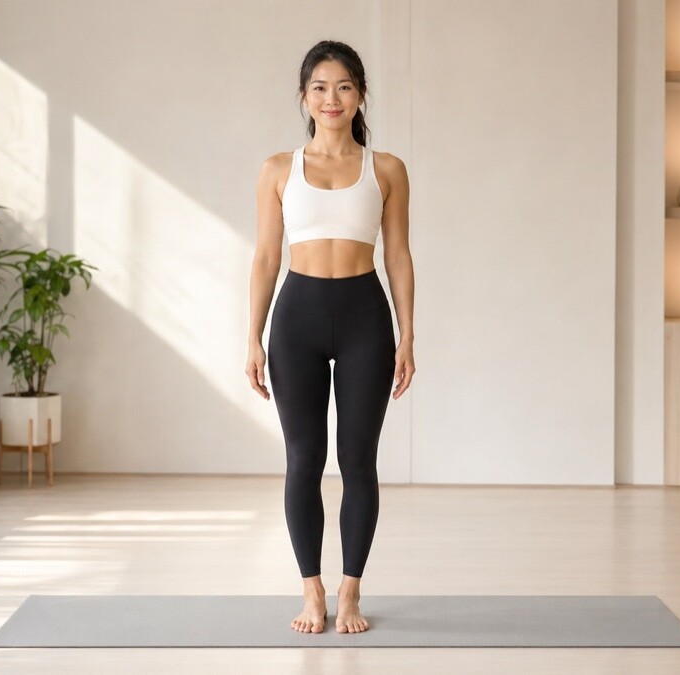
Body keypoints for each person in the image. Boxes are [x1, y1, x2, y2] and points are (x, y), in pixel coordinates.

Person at [245, 40, 416, 635]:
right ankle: (311, 590)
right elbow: (267, 257)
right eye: (320, 87)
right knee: (303, 461)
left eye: (343, 86)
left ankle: (350, 593)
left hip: (366, 313)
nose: (331, 98)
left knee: (358, 460)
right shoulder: (278, 169)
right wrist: (252, 338)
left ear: (360, 94)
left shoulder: (386, 168)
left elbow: (398, 254)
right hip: (297, 319)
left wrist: (408, 335)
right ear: (304, 97)